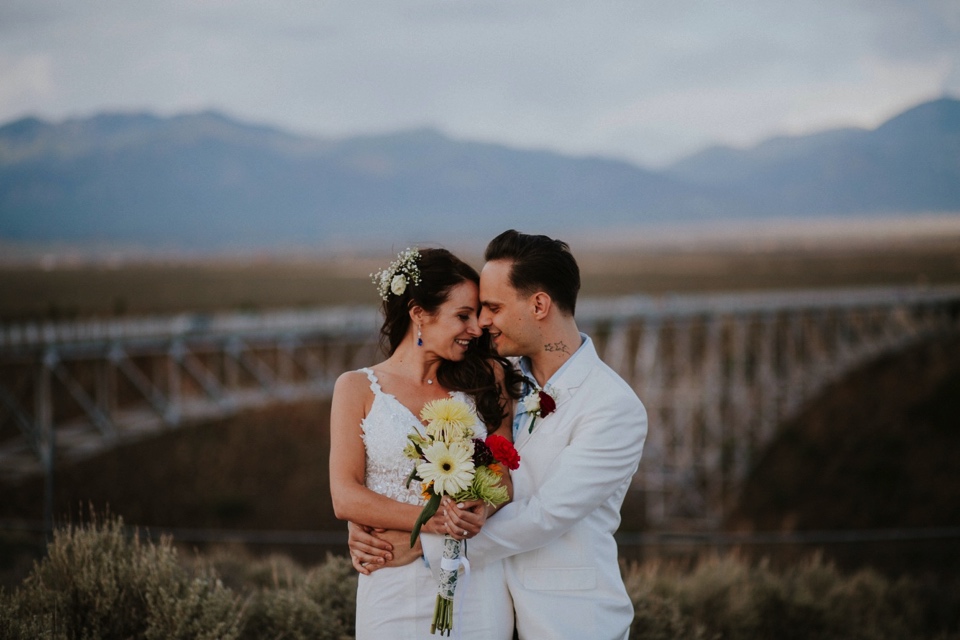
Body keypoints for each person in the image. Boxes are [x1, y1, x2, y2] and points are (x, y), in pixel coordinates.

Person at [351, 230, 648, 639]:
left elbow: (546, 514)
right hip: (487, 603)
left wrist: (419, 537)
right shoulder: (501, 383)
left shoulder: (613, 406)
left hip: (568, 621)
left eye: (492, 307)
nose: (483, 322)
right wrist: (376, 516)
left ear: (539, 305)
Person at [329, 247, 523, 639]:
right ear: (419, 313)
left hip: (476, 581)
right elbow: (345, 496)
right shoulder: (355, 388)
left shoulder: (487, 380)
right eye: (463, 316)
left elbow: (503, 475)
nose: (477, 328)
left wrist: (481, 507)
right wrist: (434, 524)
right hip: (391, 581)